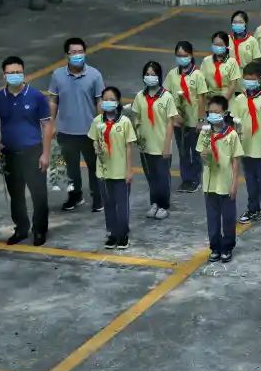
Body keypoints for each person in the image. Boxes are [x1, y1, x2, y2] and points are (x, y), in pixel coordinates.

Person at [0, 57, 52, 245]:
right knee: (16, 196)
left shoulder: (36, 96)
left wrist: (46, 153)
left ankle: (39, 230)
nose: (14, 76)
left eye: (18, 72)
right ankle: (21, 229)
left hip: (33, 153)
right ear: (4, 75)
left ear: (24, 73)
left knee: (39, 195)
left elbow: (47, 126)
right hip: (10, 155)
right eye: (10, 73)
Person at [49, 38, 105, 213]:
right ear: (67, 55)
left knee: (94, 167)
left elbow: (99, 101)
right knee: (70, 169)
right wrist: (51, 123)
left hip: (89, 131)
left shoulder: (95, 75)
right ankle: (75, 196)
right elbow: (53, 100)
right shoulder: (57, 75)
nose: (77, 55)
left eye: (80, 52)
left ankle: (98, 196)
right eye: (73, 52)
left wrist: (101, 126)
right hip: (66, 131)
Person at [231, 63, 261, 225]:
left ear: (259, 79)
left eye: (252, 79)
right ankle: (253, 209)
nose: (249, 82)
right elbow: (236, 122)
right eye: (246, 79)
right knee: (250, 182)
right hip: (245, 148)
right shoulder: (239, 99)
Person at [88, 86, 137, 249]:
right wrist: (96, 147)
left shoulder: (124, 122)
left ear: (117, 102)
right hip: (103, 171)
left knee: (122, 205)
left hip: (121, 171)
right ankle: (112, 233)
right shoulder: (97, 122)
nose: (108, 102)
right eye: (105, 99)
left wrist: (129, 170)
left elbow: (129, 146)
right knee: (108, 203)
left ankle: (123, 234)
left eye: (111, 99)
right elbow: (94, 140)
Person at [197, 95, 244, 263]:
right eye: (210, 112)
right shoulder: (205, 133)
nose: (213, 115)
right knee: (212, 217)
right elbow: (201, 154)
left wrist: (234, 183)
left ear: (224, 113)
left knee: (228, 218)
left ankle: (227, 246)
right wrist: (204, 155)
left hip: (226, 182)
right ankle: (215, 247)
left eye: (217, 112)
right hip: (210, 182)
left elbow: (236, 160)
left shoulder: (231, 135)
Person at [133, 61, 177, 220]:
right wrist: (137, 137)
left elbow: (170, 123)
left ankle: (164, 205)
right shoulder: (140, 96)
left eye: (153, 74)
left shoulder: (167, 97)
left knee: (162, 177)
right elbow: (137, 118)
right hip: (146, 145)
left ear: (159, 76)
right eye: (147, 74)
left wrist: (167, 146)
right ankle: (154, 203)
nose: (150, 77)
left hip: (161, 144)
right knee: (151, 176)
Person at [166, 41, 207, 193]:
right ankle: (186, 179)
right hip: (179, 121)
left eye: (185, 55)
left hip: (193, 121)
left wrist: (201, 120)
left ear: (191, 55)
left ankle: (195, 179)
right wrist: (174, 115)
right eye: (179, 55)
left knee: (195, 151)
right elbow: (166, 96)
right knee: (183, 150)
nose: (182, 58)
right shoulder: (172, 74)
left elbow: (202, 99)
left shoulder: (197, 75)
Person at [200, 31, 241, 102]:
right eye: (215, 45)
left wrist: (223, 101)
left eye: (220, 45)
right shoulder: (206, 61)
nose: (217, 47)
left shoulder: (232, 62)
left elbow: (233, 85)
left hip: (227, 99)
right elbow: (203, 82)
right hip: (210, 99)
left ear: (226, 45)